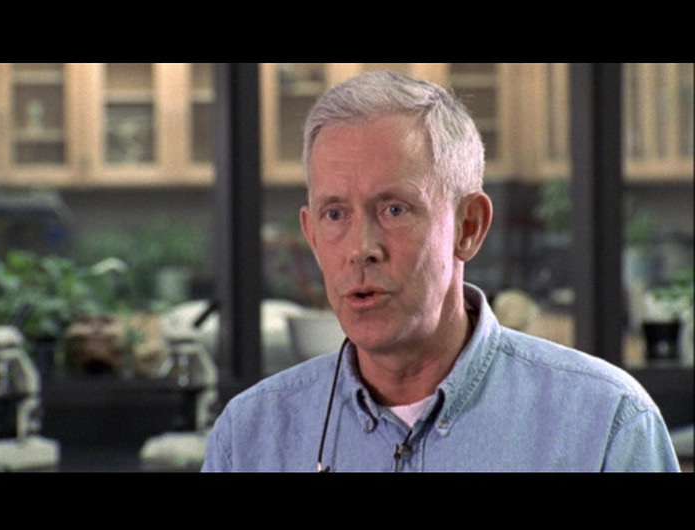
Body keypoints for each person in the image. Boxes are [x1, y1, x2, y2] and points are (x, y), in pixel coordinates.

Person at [201, 71, 680, 472]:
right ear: (310, 234)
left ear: (468, 227)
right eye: (335, 214)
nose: (361, 249)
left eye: (394, 210)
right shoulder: (248, 438)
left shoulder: (605, 423)